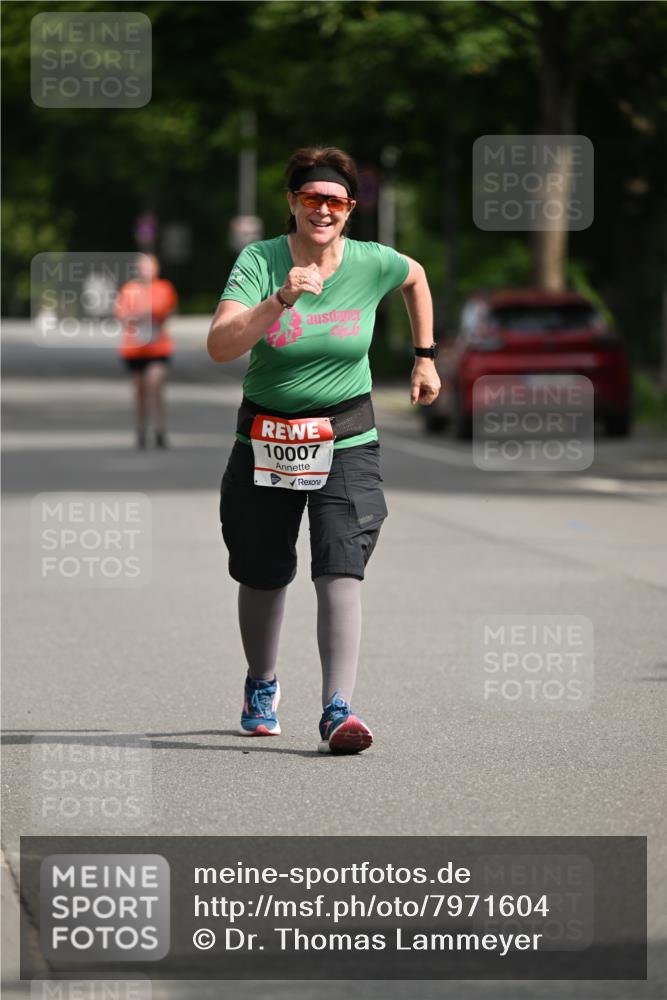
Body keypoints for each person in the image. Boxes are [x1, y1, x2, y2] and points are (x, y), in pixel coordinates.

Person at [207, 146, 440, 754]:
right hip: (267, 436)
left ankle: (338, 710)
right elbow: (220, 346)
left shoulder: (370, 262)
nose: (323, 210)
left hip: (346, 436)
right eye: (311, 198)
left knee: (342, 563)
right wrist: (279, 299)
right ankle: (262, 685)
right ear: (292, 203)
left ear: (351, 208)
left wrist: (424, 356)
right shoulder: (260, 261)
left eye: (335, 201)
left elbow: (415, 277)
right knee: (262, 570)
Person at [116, 253, 178, 449]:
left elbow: (166, 311)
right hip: (134, 349)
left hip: (158, 347)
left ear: (156, 268)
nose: (145, 270)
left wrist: (146, 315)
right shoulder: (129, 289)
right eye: (141, 266)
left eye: (149, 266)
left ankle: (160, 430)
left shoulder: (164, 288)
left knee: (155, 386)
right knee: (140, 391)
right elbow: (121, 314)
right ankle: (141, 430)